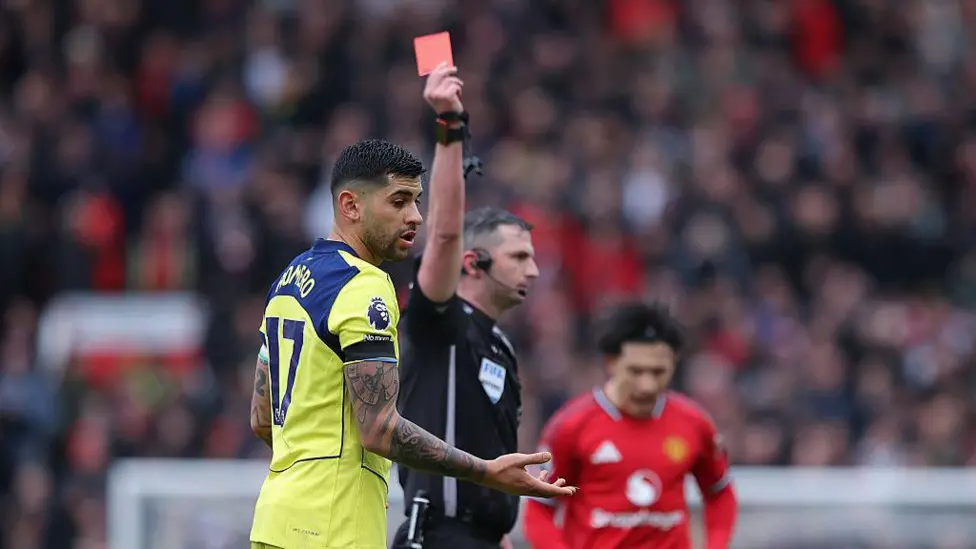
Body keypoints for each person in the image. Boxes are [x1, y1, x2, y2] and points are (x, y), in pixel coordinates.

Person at [246, 67, 575, 549]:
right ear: (350, 206)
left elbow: (260, 417)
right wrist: (485, 471)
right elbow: (380, 430)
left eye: (417, 202)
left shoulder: (289, 280)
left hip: (277, 520)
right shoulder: (364, 286)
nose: (414, 217)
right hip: (333, 528)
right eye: (399, 201)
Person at [390, 71, 542, 549]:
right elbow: (444, 235)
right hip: (438, 537)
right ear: (472, 264)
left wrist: (497, 529)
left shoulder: (499, 343)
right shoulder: (440, 320)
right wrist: (449, 125)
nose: (533, 271)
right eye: (519, 257)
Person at [522, 302, 738, 549]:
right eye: (636, 371)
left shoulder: (694, 423)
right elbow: (539, 509)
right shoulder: (571, 425)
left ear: (674, 365)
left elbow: (720, 493)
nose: (647, 385)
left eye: (658, 372)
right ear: (611, 362)